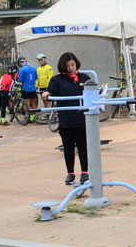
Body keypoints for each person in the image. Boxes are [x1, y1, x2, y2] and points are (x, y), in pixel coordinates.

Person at [45, 52, 90, 186]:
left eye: (73, 65)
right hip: (66, 120)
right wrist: (47, 94)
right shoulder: (57, 80)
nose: (71, 68)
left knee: (83, 147)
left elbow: (93, 92)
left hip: (82, 120)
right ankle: (70, 172)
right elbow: (50, 91)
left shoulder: (84, 77)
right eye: (68, 66)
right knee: (68, 148)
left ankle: (85, 172)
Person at [16, 57, 39, 122]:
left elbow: (20, 80)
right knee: (33, 103)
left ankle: (28, 117)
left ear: (20, 63)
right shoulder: (33, 68)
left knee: (26, 103)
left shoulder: (22, 70)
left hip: (25, 88)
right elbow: (36, 78)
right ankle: (33, 117)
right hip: (33, 88)